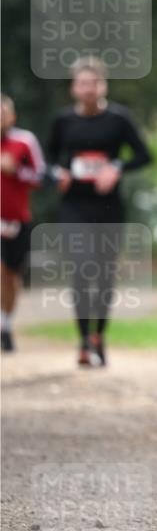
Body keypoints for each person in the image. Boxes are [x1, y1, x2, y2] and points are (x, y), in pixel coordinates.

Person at [46, 57, 151, 367]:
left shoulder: (119, 119)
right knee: (80, 268)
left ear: (103, 86)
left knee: (104, 272)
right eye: (82, 84)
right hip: (73, 206)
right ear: (73, 88)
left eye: (94, 83)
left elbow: (144, 155)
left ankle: (98, 336)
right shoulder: (63, 121)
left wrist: (116, 167)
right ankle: (82, 340)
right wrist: (57, 173)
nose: (88, 89)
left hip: (108, 207)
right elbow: (47, 158)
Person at [1, 95, 45, 352]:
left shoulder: (25, 141)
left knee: (11, 276)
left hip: (17, 220)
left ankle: (5, 325)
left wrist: (16, 170)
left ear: (12, 117)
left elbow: (40, 176)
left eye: (2, 114)